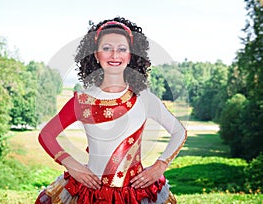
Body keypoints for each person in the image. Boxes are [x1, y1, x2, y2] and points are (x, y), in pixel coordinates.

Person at [35, 17, 187, 204]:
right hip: (89, 193)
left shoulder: (144, 98)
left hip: (137, 194)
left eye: (122, 49)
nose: (115, 54)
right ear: (96, 55)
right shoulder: (81, 101)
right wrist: (72, 165)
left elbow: (179, 131)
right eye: (106, 48)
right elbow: (46, 134)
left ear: (131, 55)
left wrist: (160, 165)